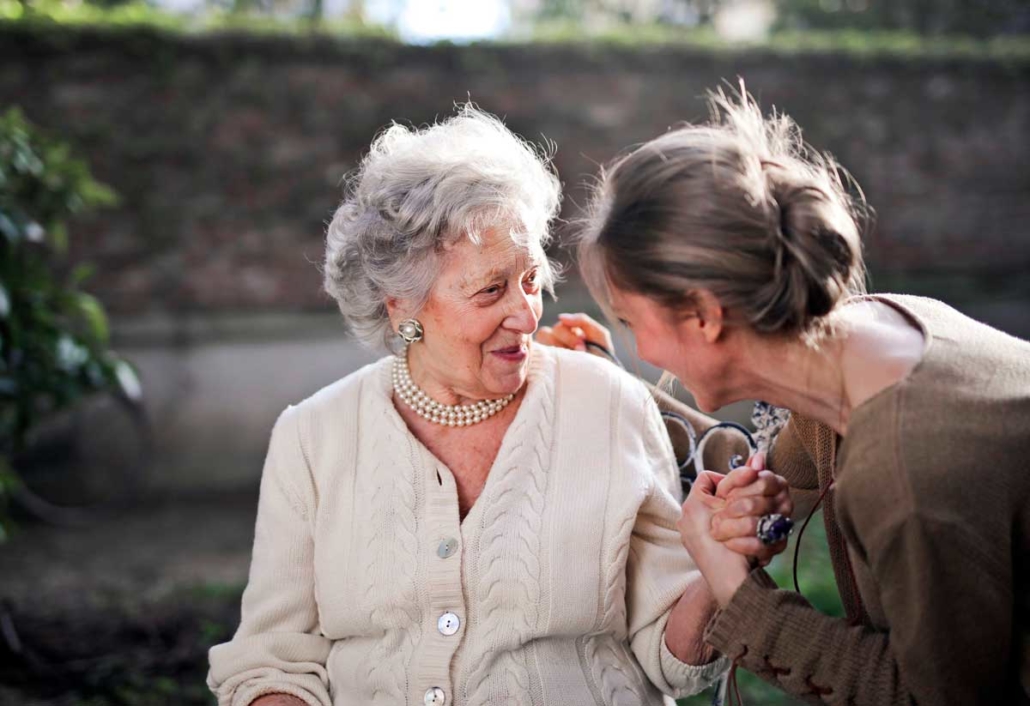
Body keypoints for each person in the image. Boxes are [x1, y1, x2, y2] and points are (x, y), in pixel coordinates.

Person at [206, 106, 788, 706]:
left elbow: (672, 662)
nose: (526, 313)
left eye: (531, 280)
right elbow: (271, 662)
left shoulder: (607, 405)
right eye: (490, 289)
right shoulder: (312, 436)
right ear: (400, 306)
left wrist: (718, 569)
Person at [548, 86, 1030, 705]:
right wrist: (602, 380)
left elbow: (937, 697)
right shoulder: (870, 336)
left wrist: (740, 596)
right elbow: (761, 465)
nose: (642, 346)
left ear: (703, 317)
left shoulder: (907, 471)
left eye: (629, 321)